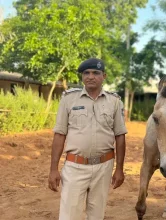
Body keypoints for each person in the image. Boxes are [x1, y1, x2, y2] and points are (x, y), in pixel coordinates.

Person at [47, 58, 128, 220]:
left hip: (104, 167)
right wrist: (53, 169)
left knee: (97, 214)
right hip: (75, 166)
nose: (91, 76)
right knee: (69, 215)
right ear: (82, 76)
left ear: (104, 76)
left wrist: (119, 168)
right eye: (86, 73)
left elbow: (120, 136)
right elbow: (59, 134)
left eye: (96, 73)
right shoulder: (69, 99)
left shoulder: (114, 102)